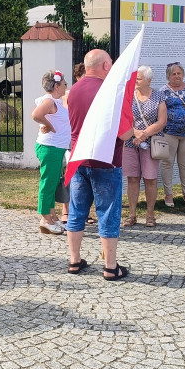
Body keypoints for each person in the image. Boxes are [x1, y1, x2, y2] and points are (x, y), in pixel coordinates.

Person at [64, 49, 127, 281]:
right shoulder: (110, 91)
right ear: (105, 66)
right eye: (110, 63)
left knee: (77, 211)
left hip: (79, 158)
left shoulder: (74, 90)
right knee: (108, 212)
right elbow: (123, 131)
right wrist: (136, 133)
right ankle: (110, 267)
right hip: (106, 161)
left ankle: (74, 260)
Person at [121, 66, 167, 227]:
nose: (135, 81)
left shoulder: (159, 96)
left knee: (150, 179)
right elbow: (123, 118)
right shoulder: (128, 96)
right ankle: (132, 214)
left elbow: (162, 121)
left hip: (151, 142)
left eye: (139, 78)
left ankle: (150, 215)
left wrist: (143, 135)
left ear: (149, 80)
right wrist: (135, 133)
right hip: (130, 142)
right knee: (132, 179)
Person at [32, 70, 70, 234]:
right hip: (50, 148)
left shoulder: (54, 101)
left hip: (55, 148)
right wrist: (48, 125)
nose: (66, 86)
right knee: (48, 183)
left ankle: (52, 215)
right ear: (56, 86)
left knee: (53, 182)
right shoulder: (49, 101)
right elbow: (36, 115)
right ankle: (45, 218)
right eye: (64, 84)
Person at [159, 62, 185, 209]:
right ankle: (168, 194)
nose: (176, 76)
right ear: (168, 76)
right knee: (167, 163)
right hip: (169, 132)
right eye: (173, 74)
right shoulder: (163, 91)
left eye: (179, 73)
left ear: (183, 74)